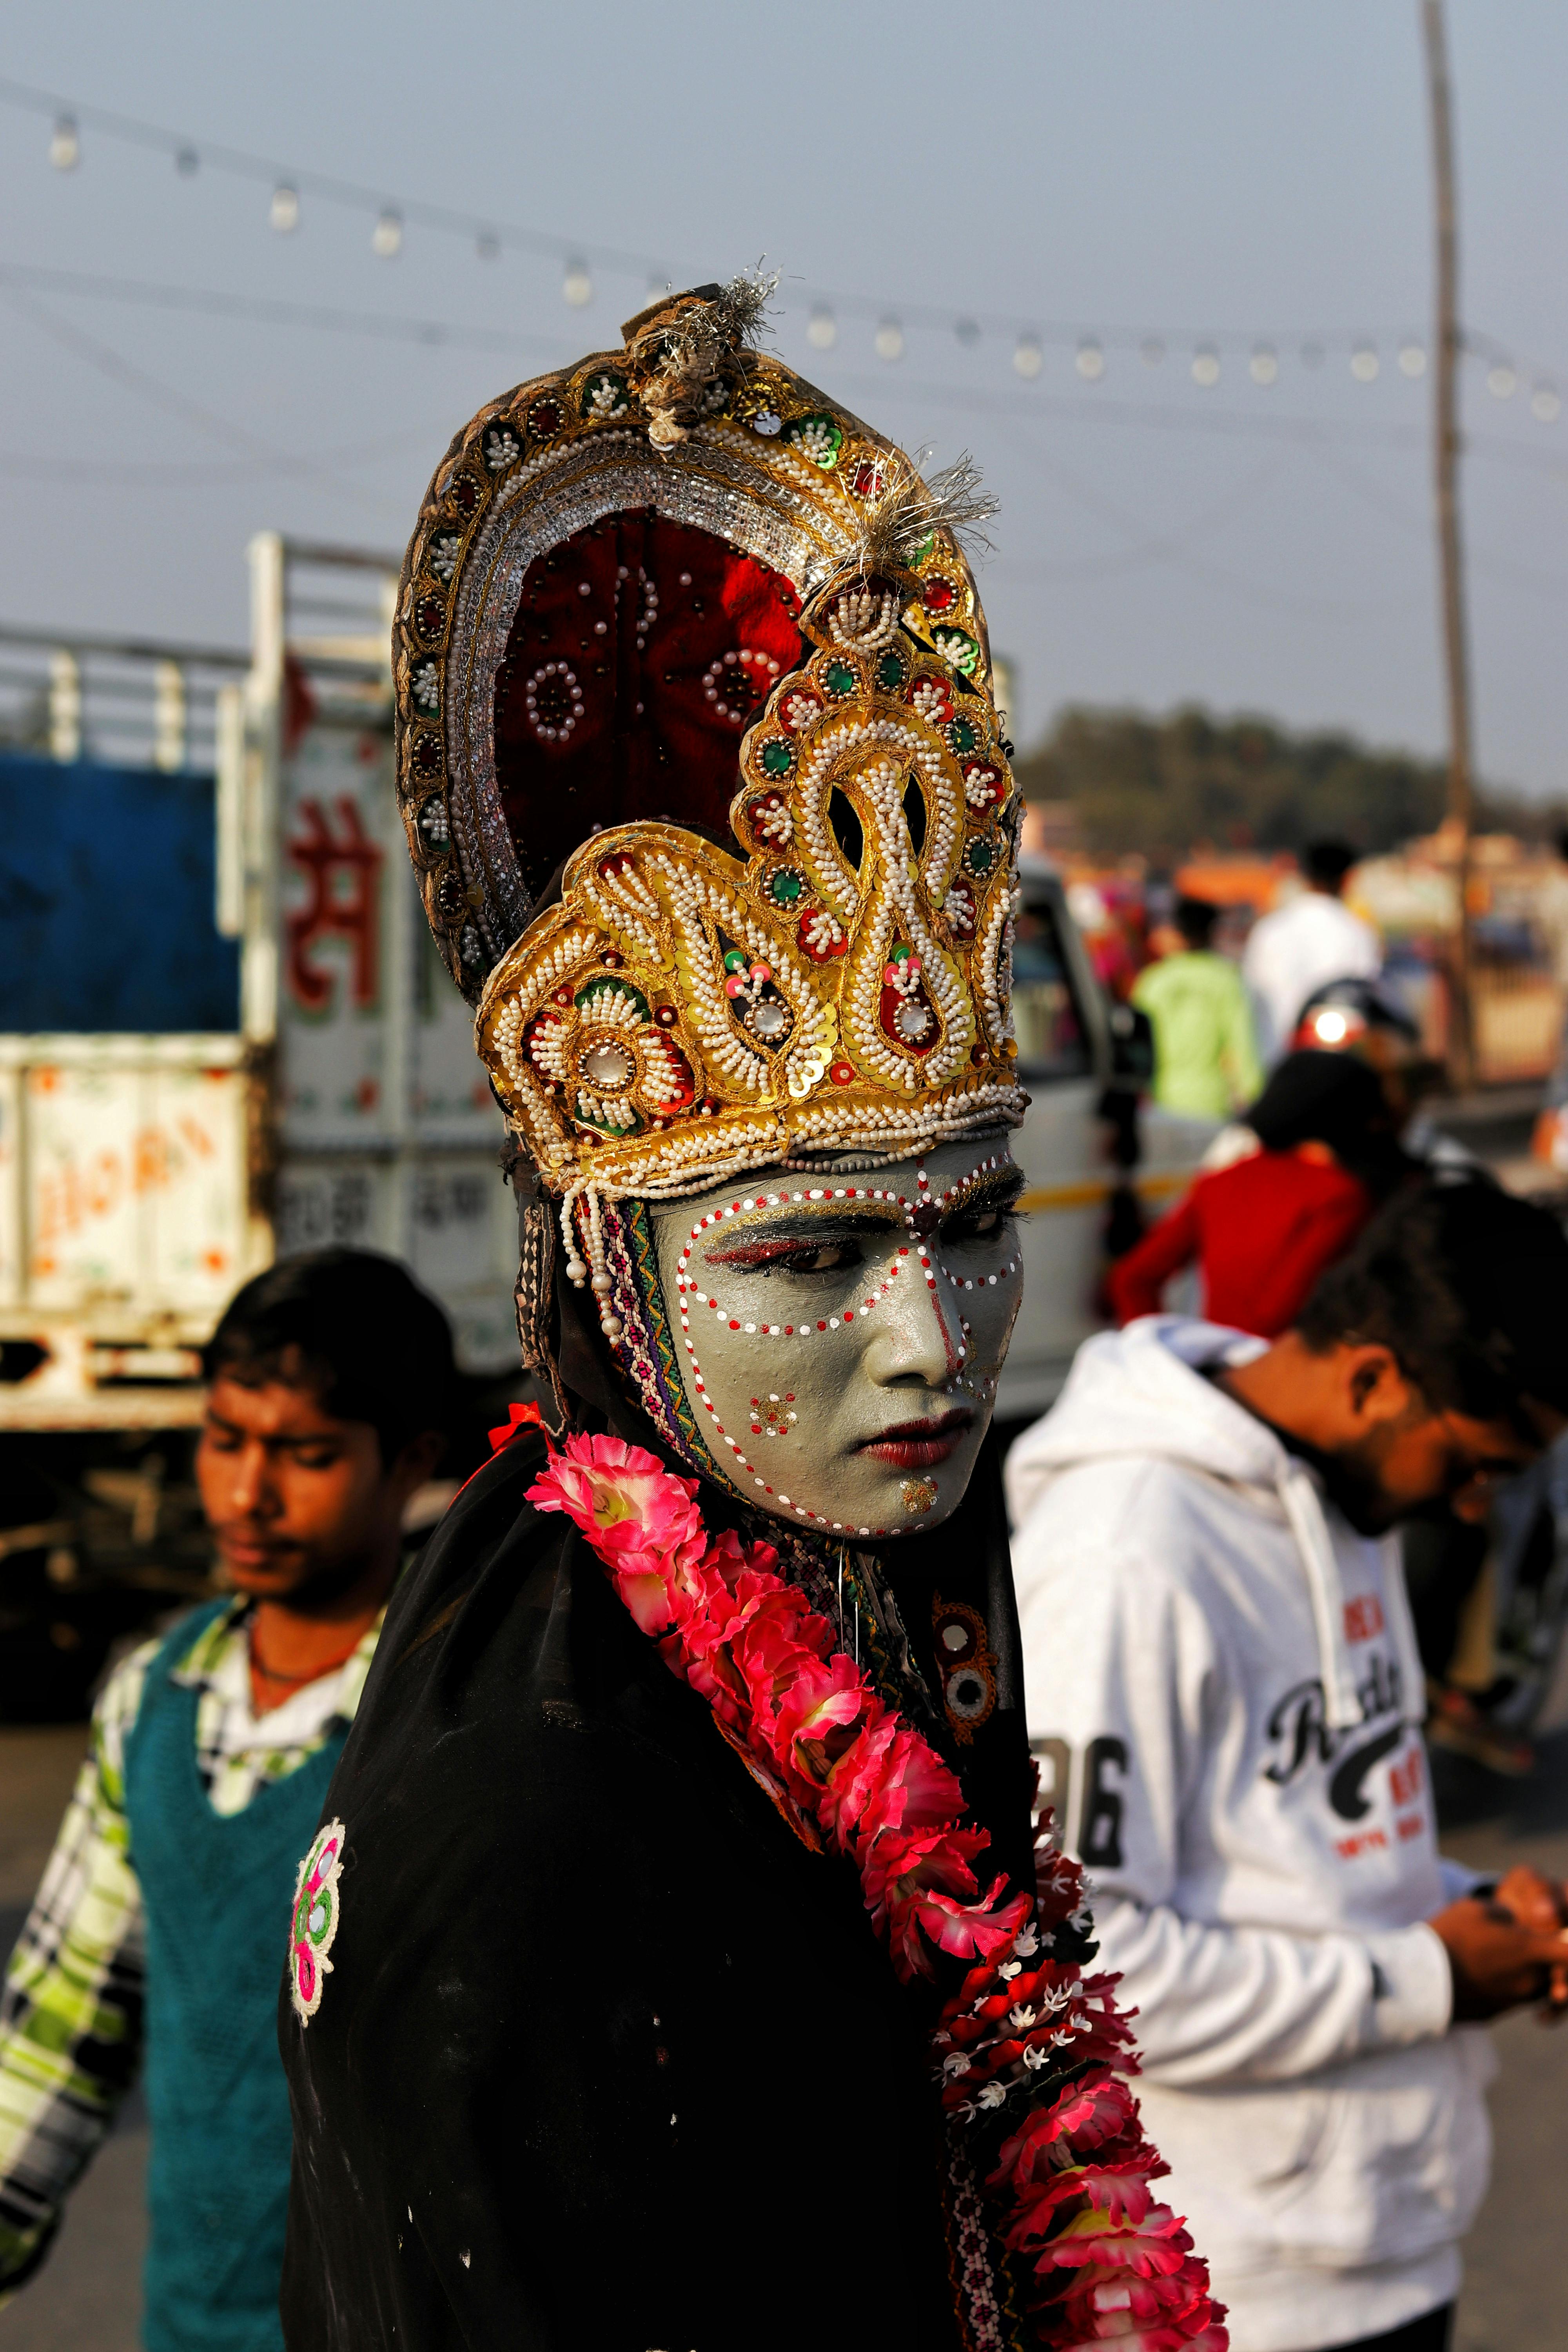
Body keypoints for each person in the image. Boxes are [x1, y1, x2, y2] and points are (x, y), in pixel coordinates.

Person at [275, 282, 1226, 2352]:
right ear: (615, 1275)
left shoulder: (883, 1597)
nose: (936, 1337)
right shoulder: (533, 1814)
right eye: (808, 1259)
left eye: (971, 1230)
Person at [1008, 1178, 1568, 2352]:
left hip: (1386, 2231)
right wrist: (1424, 1976)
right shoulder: (1127, 1549)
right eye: (1475, 1462)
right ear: (1371, 1378)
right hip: (1235, 2285)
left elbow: (1306, 1855)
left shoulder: (1340, 1498)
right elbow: (1085, 1964)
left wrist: (1481, 1919)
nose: (1474, 1509)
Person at [0, 1249, 453, 2351]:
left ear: (411, 1466)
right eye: (224, 1441)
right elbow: (60, 2033)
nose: (248, 1494)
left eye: (304, 1455)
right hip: (192, 2327)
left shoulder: (442, 1712)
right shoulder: (151, 1704)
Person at [1107, 1050, 1412, 1336]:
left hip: (1219, 1374)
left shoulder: (1221, 1182)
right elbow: (1276, 1317)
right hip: (1285, 1380)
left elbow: (1133, 1279)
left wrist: (1164, 1357)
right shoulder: (1341, 1197)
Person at [1243, 841, 1381, 1065]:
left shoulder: (1269, 930)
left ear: (1304, 877)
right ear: (1348, 879)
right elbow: (1364, 995)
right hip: (1335, 1062)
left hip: (1274, 1058)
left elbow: (1252, 993)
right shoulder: (1357, 933)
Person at [1131, 894, 1262, 1120]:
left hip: (1162, 1101)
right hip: (1212, 1103)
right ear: (1213, 932)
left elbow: (1137, 1046)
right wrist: (1256, 1097)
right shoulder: (1227, 980)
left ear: (1177, 933)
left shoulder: (1153, 981)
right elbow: (1242, 1046)